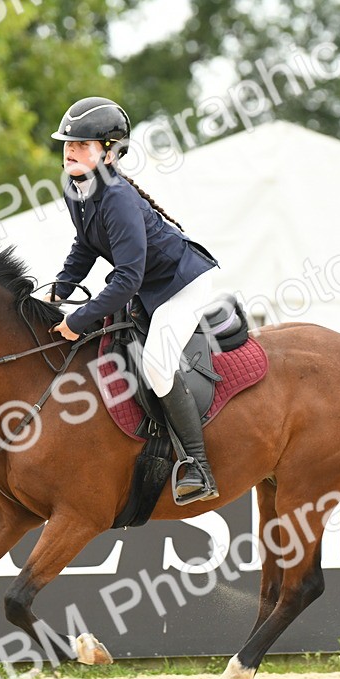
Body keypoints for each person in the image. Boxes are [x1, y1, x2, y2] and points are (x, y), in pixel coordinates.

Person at [47, 96, 221, 503]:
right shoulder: (75, 186)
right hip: (147, 285)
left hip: (182, 284)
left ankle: (198, 465)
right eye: (68, 143)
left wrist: (77, 320)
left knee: (157, 365)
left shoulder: (118, 198)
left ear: (109, 154)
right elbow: (85, 244)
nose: (71, 151)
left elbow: (127, 279)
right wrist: (60, 289)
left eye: (82, 144)